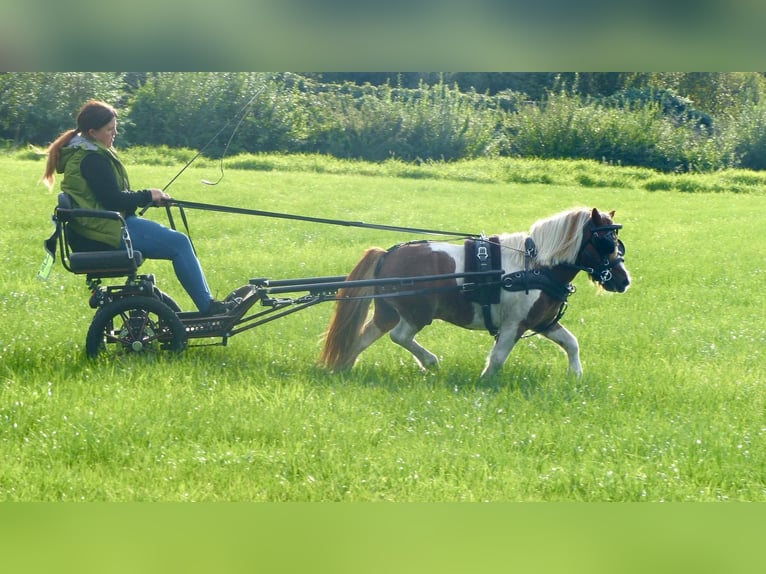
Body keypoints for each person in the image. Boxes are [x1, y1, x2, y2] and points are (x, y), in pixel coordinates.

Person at [43, 99, 235, 315]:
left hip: (104, 226)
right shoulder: (91, 159)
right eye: (109, 130)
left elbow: (109, 199)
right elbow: (113, 200)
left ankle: (208, 305)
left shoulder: (88, 151)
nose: (114, 134)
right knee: (179, 244)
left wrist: (150, 198)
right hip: (106, 231)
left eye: (115, 128)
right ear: (92, 132)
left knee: (179, 242)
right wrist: (147, 195)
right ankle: (209, 308)